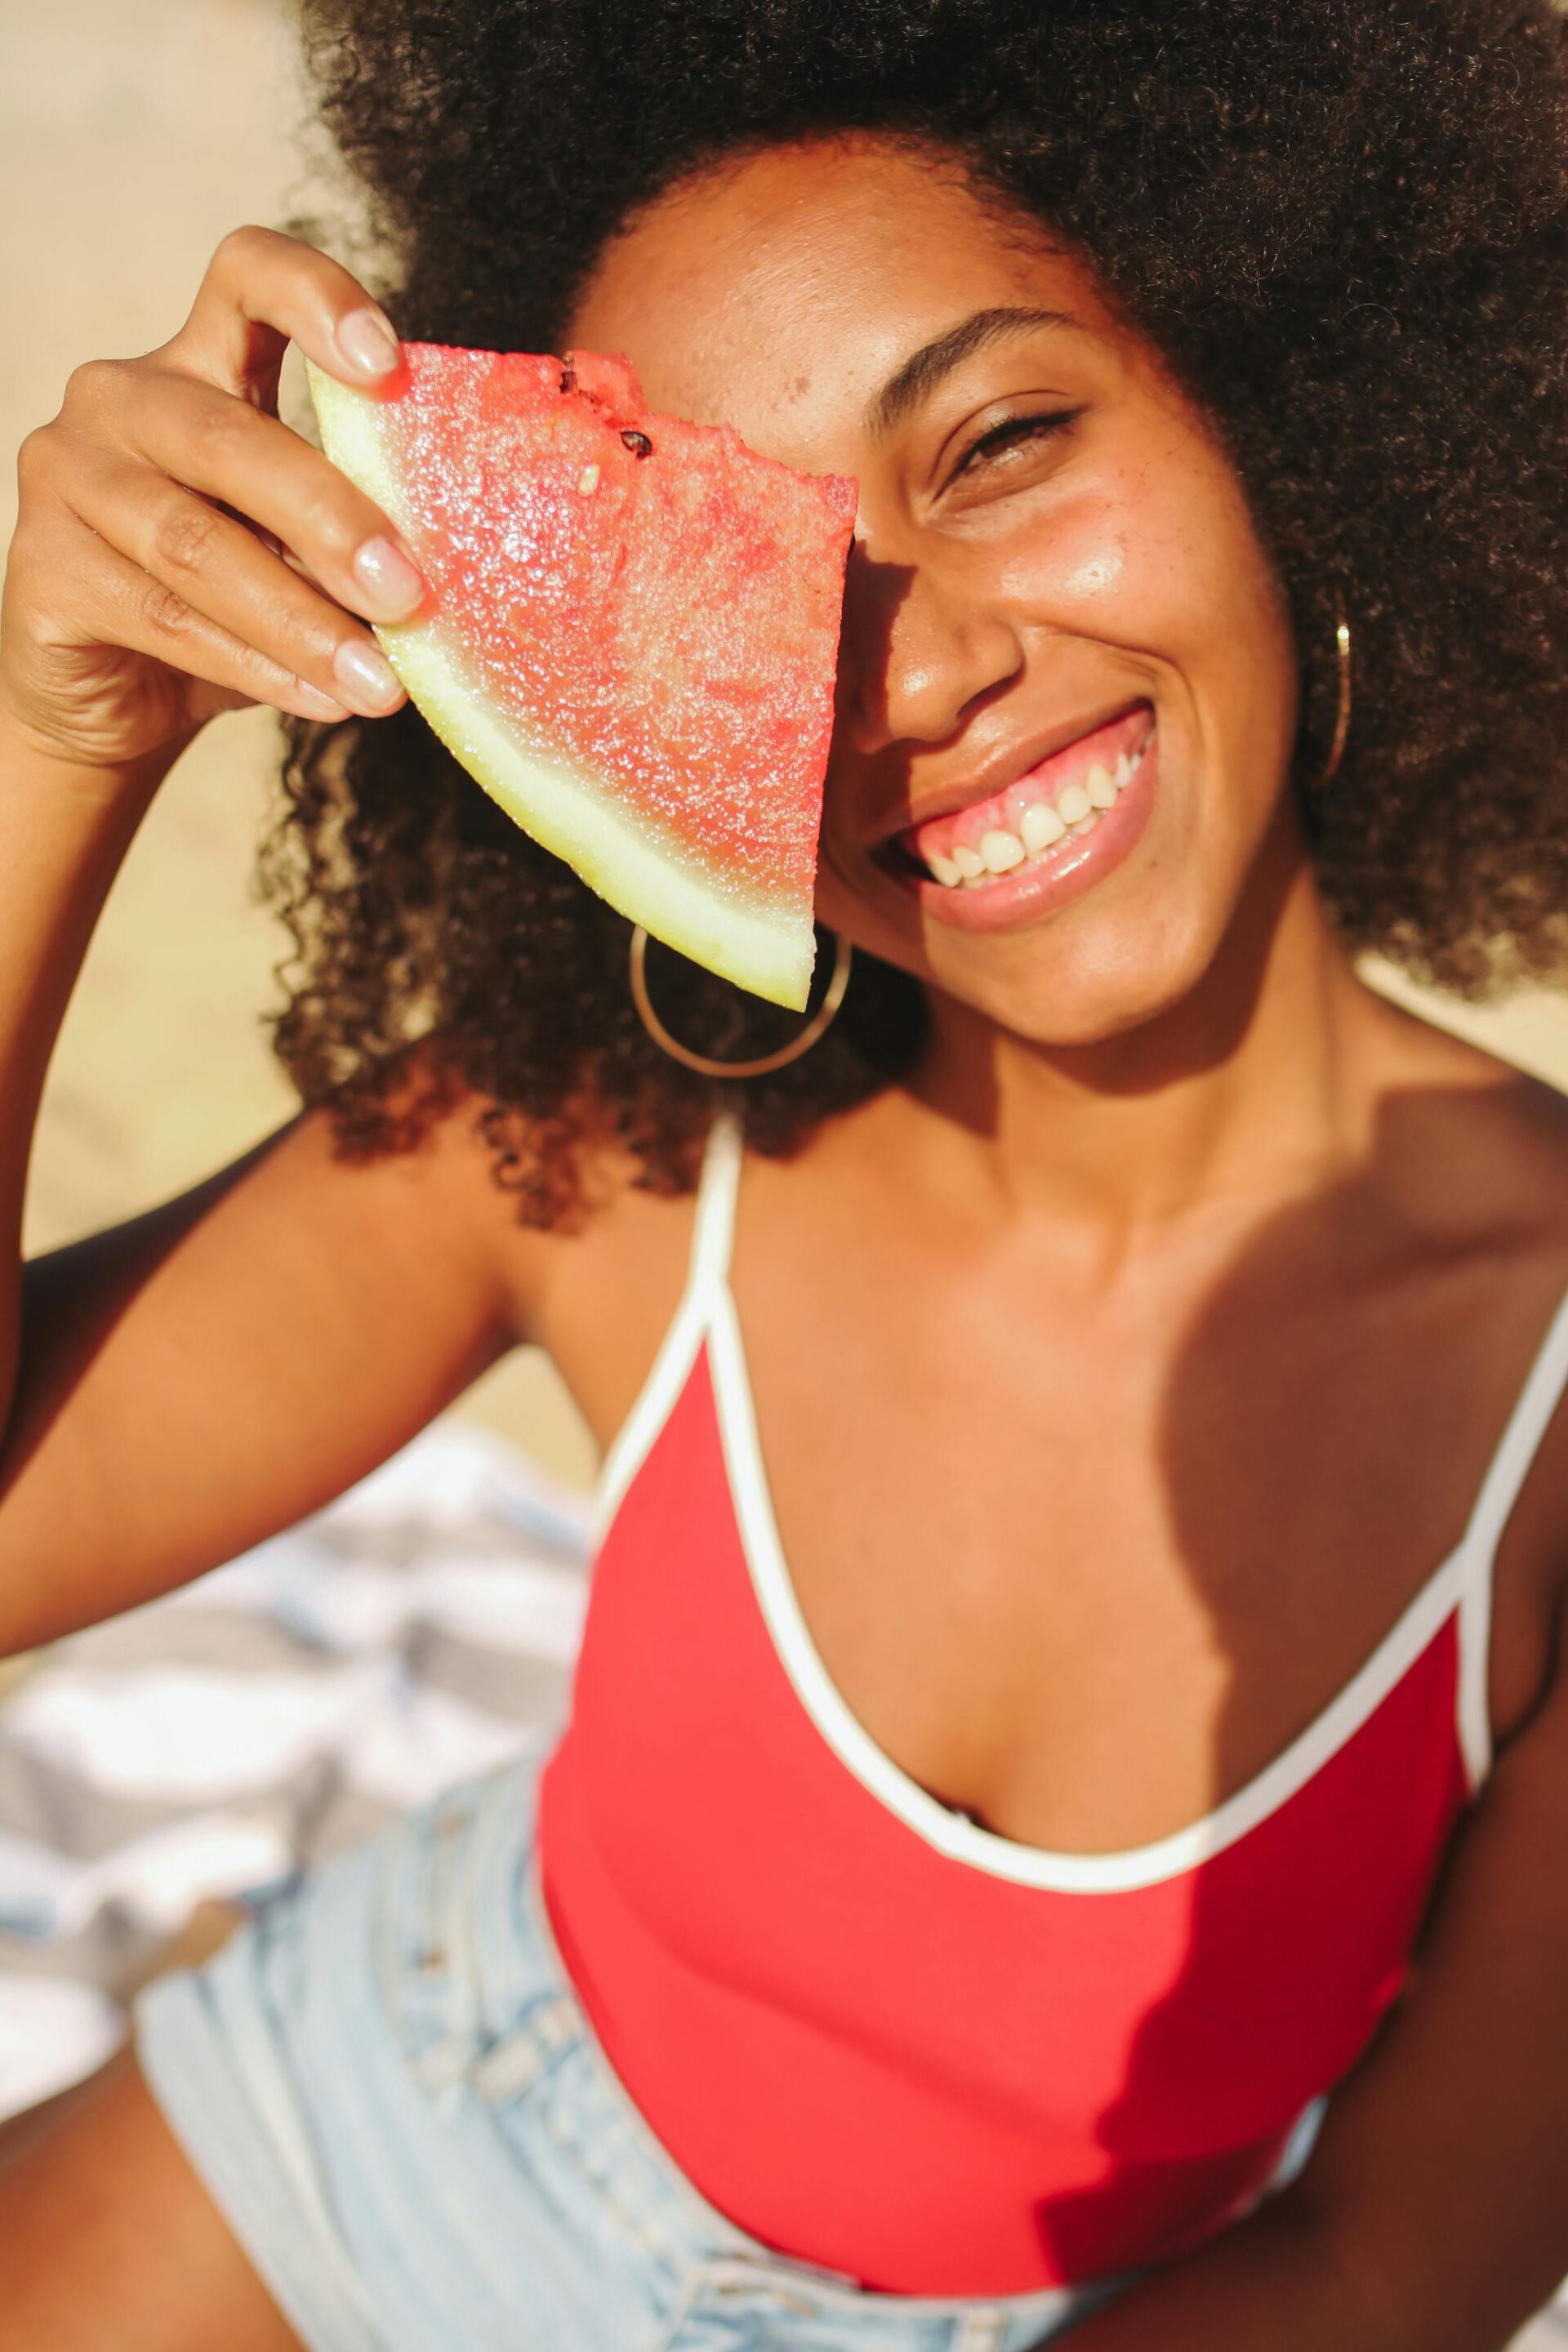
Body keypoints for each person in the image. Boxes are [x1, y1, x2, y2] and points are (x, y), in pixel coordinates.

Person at [2, 1, 1568, 2345]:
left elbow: (1393, 2263)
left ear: (1264, 404)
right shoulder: (608, 1160)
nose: (913, 673)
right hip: (382, 2111)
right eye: (737, 606)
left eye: (1007, 440)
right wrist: (59, 735)